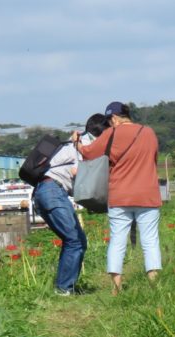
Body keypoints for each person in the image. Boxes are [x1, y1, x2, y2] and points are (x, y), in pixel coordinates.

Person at [73, 101, 162, 295]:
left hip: (120, 195)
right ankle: (154, 286)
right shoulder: (149, 132)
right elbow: (154, 160)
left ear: (114, 118)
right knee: (150, 241)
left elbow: (88, 154)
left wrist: (76, 142)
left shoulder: (111, 134)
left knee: (117, 241)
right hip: (148, 195)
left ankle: (116, 287)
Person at [31, 117, 100, 296]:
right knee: (74, 241)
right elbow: (76, 171)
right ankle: (63, 289)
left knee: (76, 241)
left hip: (46, 192)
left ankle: (66, 286)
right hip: (52, 191)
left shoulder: (72, 144)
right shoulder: (81, 147)